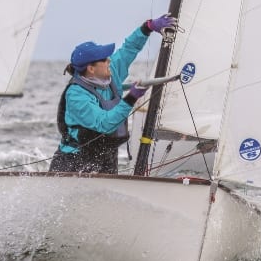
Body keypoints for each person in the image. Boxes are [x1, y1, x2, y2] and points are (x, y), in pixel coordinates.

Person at [49, 14, 177, 174]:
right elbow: (104, 123)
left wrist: (147, 28)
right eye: (104, 59)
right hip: (74, 160)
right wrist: (131, 98)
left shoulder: (111, 72)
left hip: (106, 156)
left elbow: (129, 49)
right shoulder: (76, 96)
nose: (109, 60)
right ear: (91, 69)